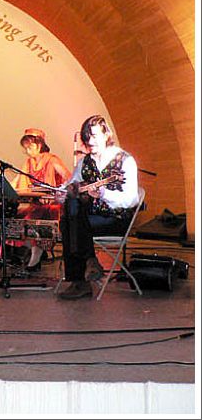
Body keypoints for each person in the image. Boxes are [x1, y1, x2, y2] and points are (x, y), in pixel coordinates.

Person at [57, 115, 139, 300]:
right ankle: (90, 261)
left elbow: (131, 200)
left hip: (116, 218)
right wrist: (61, 194)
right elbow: (71, 184)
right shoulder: (85, 163)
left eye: (94, 136)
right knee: (72, 204)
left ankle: (79, 281)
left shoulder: (124, 160)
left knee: (70, 224)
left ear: (106, 134)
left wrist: (104, 194)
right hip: (89, 220)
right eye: (86, 138)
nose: (89, 141)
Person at [10, 128, 71, 271]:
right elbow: (17, 181)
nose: (27, 150)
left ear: (40, 145)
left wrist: (56, 193)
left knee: (37, 214)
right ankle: (28, 251)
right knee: (13, 215)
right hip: (36, 203)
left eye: (30, 146)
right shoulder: (28, 163)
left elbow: (69, 178)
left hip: (52, 204)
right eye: (26, 147)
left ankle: (35, 256)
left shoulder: (52, 160)